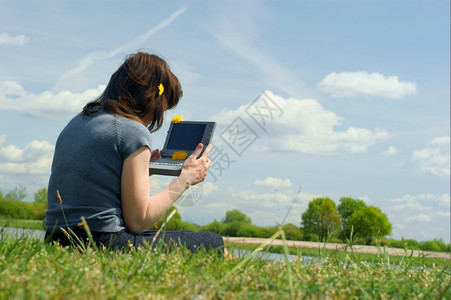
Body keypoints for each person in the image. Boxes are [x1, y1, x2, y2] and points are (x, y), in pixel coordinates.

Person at [44, 52, 225, 253]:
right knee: (214, 242)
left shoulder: (78, 121)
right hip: (103, 243)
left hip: (56, 239)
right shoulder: (132, 130)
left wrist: (141, 171)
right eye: (163, 108)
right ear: (152, 99)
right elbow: (138, 221)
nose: (159, 116)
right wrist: (186, 179)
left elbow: (93, 183)